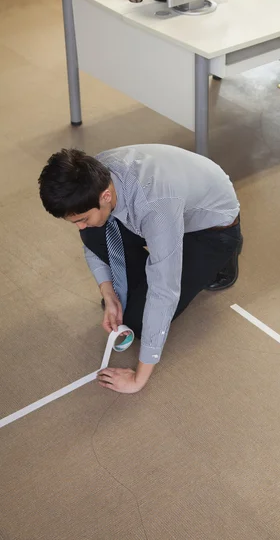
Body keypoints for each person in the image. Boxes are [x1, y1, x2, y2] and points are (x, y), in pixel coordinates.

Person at [38, 145, 242, 394]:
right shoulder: (95, 175)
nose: (79, 227)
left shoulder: (156, 207)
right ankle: (141, 279)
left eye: (81, 218)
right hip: (172, 207)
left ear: (105, 196)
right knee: (94, 233)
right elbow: (93, 240)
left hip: (211, 231)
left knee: (138, 322)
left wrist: (138, 379)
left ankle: (223, 261)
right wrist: (109, 293)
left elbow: (165, 290)